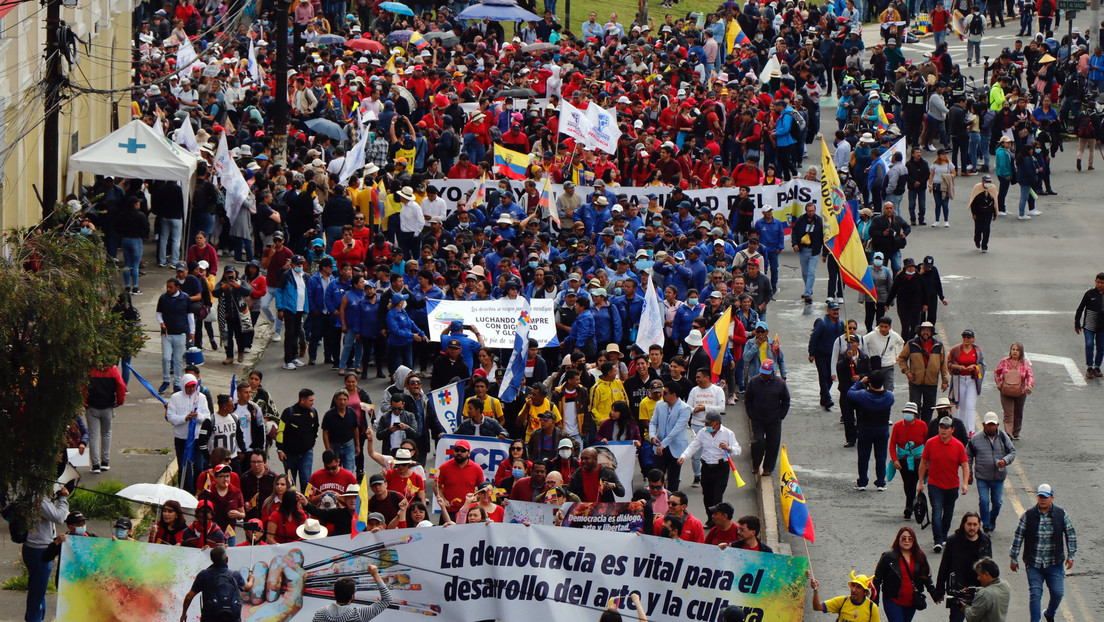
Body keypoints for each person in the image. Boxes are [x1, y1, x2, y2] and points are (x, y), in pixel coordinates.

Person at [1010, 484, 1077, 622]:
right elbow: (1018, 536)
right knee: (1035, 593)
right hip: (1034, 563)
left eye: (1046, 497)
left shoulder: (1061, 514)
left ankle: (1049, 613)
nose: (1042, 500)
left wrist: (1071, 556)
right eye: (1040, 497)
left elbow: (1070, 534)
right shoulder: (1028, 515)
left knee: (1058, 593)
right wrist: (1014, 558)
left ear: (1052, 497)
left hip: (1054, 563)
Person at [918, 415, 970, 552]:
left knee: (948, 513)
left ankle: (944, 536)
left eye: (947, 428)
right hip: (935, 484)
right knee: (936, 511)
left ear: (952, 429)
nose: (943, 430)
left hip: (952, 485)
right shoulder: (930, 443)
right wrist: (920, 482)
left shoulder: (958, 446)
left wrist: (965, 483)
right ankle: (938, 540)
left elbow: (965, 465)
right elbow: (923, 462)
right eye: (941, 427)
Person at [21, 488, 69, 622]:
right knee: (37, 592)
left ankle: (37, 618)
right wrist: (62, 499)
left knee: (39, 590)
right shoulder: (39, 498)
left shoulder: (29, 493)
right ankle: (34, 619)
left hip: (34, 547)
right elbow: (59, 517)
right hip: (39, 549)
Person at [678, 412, 739, 514]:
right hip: (706, 468)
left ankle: (717, 520)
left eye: (709, 424)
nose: (706, 426)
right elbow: (693, 445)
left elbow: (738, 450)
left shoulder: (728, 433)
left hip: (721, 468)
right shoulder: (702, 432)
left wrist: (729, 448)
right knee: (707, 495)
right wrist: (683, 456)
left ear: (717, 423)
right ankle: (710, 518)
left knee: (717, 496)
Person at [937, 512, 993, 622]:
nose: (972, 527)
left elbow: (990, 568)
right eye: (969, 524)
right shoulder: (953, 540)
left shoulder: (985, 541)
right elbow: (945, 565)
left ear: (979, 525)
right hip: (958, 590)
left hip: (979, 590)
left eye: (975, 524)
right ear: (963, 525)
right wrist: (939, 590)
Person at [873, 526, 937, 622]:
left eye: (910, 538)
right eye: (903, 538)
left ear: (914, 541)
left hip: (911, 602)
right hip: (892, 600)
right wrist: (874, 600)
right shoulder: (888, 557)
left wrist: (934, 594)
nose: (906, 541)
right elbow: (877, 579)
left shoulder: (920, 557)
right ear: (898, 539)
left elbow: (926, 577)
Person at [967, 412, 1016, 534]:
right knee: (984, 501)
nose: (991, 427)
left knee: (997, 502)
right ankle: (986, 524)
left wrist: (1004, 461)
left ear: (997, 425)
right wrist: (969, 473)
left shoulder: (1003, 437)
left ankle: (992, 518)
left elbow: (1012, 452)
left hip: (998, 477)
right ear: (983, 425)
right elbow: (968, 455)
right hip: (982, 477)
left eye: (993, 425)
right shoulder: (976, 439)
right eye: (989, 425)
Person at [179, 546, 253, 622]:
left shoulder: (204, 575)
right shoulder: (235, 574)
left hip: (210, 617)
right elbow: (247, 588)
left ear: (212, 559)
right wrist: (251, 579)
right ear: (226, 559)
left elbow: (189, 597)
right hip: (232, 617)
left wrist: (184, 613)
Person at [848, 371, 895, 491]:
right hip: (882, 429)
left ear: (870, 383)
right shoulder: (889, 396)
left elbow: (850, 393)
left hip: (866, 428)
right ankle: (880, 482)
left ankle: (862, 481)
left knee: (863, 456)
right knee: (881, 456)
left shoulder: (864, 395)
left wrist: (859, 382)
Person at [744, 359, 789, 477]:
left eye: (766, 373)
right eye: (762, 373)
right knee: (758, 441)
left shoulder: (780, 384)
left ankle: (768, 468)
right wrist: (751, 414)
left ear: (772, 372)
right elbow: (748, 399)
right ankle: (756, 464)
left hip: (774, 420)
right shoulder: (754, 382)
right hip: (757, 418)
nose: (764, 375)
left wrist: (781, 416)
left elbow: (786, 400)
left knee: (773, 444)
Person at [898, 321, 949, 423]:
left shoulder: (939, 346)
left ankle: (925, 430)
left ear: (932, 332)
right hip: (915, 382)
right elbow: (902, 358)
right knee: (914, 407)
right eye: (924, 330)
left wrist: (945, 381)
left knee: (929, 408)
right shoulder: (911, 344)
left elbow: (943, 364)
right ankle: (915, 429)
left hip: (931, 383)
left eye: (928, 330)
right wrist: (907, 372)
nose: (925, 332)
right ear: (920, 331)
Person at [648, 381, 692, 491]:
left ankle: (672, 502)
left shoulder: (685, 408)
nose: (662, 394)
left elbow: (676, 430)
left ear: (673, 394)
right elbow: (653, 423)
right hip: (659, 447)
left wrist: (663, 444)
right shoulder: (659, 405)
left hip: (676, 447)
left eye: (665, 392)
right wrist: (652, 436)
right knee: (657, 475)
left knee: (673, 478)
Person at [84, 363, 126, 473]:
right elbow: (121, 386)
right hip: (107, 407)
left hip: (92, 406)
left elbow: (82, 386)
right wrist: (119, 401)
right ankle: (105, 462)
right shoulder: (113, 369)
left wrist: (85, 402)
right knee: (106, 433)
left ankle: (95, 465)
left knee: (93, 435)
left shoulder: (89, 369)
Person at [890, 402, 927, 520]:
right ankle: (911, 503)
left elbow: (927, 443)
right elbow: (892, 444)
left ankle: (909, 506)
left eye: (910, 413)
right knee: (907, 483)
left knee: (914, 481)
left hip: (918, 460)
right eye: (906, 412)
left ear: (915, 415)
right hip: (903, 460)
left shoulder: (922, 425)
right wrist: (895, 460)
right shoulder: (898, 426)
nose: (908, 415)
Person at [156, 277, 194, 393]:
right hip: (167, 334)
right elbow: (158, 313)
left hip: (181, 333)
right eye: (167, 287)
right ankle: (166, 380)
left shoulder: (185, 298)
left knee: (178, 360)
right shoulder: (163, 298)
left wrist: (192, 332)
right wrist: (161, 322)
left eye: (171, 287)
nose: (168, 289)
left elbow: (190, 315)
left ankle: (177, 382)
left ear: (177, 287)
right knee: (166, 358)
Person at [311, 569, 393, 622]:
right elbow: (387, 600)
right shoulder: (359, 615)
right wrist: (375, 575)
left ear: (334, 593)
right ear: (352, 596)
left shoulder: (320, 614)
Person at [277, 388, 319, 488]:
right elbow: (280, 432)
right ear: (302, 400)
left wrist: (312, 444)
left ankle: (306, 503)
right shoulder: (289, 412)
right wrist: (279, 449)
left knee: (306, 480)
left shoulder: (313, 413)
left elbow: (315, 430)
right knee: (290, 482)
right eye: (311, 400)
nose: (313, 403)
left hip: (306, 453)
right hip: (289, 455)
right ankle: (292, 502)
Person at [947, 329, 986, 436]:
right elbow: (949, 364)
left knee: (970, 406)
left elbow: (982, 365)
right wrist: (960, 367)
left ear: (973, 339)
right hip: (959, 380)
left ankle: (971, 431)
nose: (966, 339)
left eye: (968, 337)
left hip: (972, 380)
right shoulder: (955, 350)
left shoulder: (977, 351)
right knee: (961, 406)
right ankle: (961, 430)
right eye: (964, 336)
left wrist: (974, 367)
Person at [809, 300, 845, 410]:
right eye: (833, 310)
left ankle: (824, 396)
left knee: (831, 377)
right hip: (821, 354)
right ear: (828, 311)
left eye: (837, 310)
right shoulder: (822, 323)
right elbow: (814, 338)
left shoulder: (841, 323)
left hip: (833, 356)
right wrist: (811, 353)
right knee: (823, 375)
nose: (836, 312)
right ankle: (827, 398)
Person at [436, 439, 485, 519]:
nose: (459, 453)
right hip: (449, 511)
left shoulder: (477, 468)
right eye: (457, 450)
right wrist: (443, 500)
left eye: (463, 450)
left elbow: (482, 489)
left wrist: (476, 497)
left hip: (468, 513)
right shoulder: (444, 467)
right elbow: (437, 486)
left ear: (469, 453)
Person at [993, 342, 1034, 439]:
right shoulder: (1004, 361)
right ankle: (1008, 434)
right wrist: (998, 382)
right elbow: (997, 372)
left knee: (1018, 412)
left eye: (1017, 350)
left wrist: (1029, 385)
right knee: (1008, 413)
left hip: (1020, 391)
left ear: (1021, 352)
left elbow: (1030, 376)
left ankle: (1016, 432)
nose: (1015, 352)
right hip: (1006, 391)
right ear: (1010, 351)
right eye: (1013, 349)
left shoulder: (1025, 363)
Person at [810, 571, 880, 621]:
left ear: (865, 592)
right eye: (853, 586)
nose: (854, 590)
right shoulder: (842, 601)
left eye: (858, 587)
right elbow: (817, 607)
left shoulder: (872, 608)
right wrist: (816, 590)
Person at [1074, 272, 1104, 378]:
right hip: (1089, 326)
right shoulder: (1089, 294)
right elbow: (1081, 308)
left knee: (1101, 347)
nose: (1100, 284)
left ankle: (1097, 367)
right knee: (1090, 344)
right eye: (1098, 282)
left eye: (1102, 283)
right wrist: (1077, 323)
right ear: (1095, 282)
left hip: (1102, 328)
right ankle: (1090, 367)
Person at [961, 557, 1011, 622]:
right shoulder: (1005, 584)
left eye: (979, 575)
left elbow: (971, 617)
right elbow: (992, 589)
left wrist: (965, 607)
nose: (978, 578)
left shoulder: (984, 594)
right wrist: (975, 589)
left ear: (986, 575)